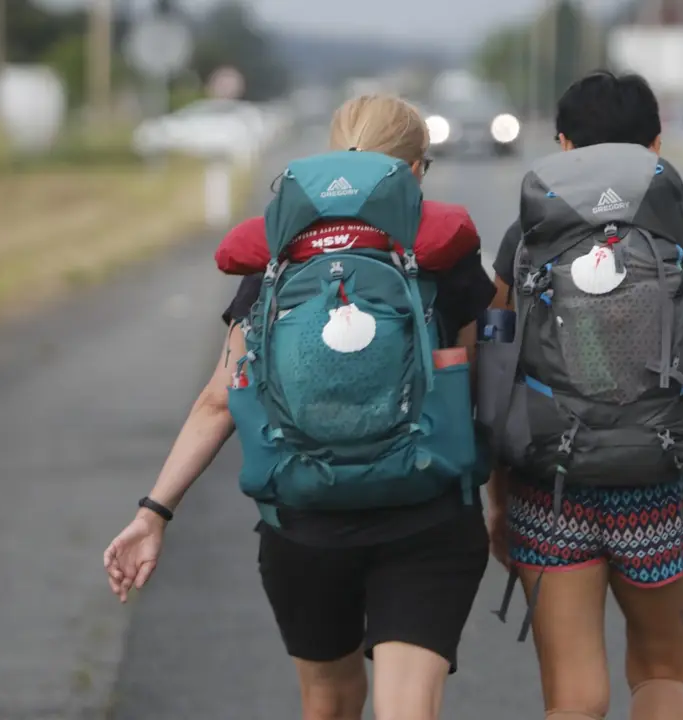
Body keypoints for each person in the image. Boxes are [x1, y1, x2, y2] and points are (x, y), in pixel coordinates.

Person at [103, 94, 496, 720]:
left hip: (304, 520)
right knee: (407, 709)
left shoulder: (280, 252)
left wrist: (154, 512)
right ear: (415, 169)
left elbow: (218, 400)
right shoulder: (443, 246)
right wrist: (502, 504)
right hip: (427, 515)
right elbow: (473, 385)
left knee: (328, 702)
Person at [484, 71, 683, 720]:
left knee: (574, 698)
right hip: (664, 486)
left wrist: (498, 502)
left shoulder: (528, 234)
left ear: (562, 143)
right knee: (662, 674)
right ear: (656, 145)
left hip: (551, 489)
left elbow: (494, 377)